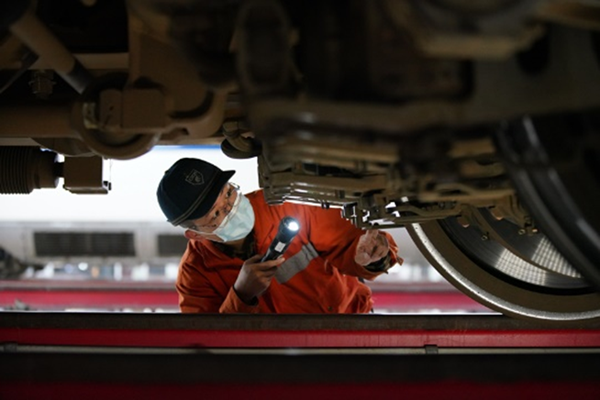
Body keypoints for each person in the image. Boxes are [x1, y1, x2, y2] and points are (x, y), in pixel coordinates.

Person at [156, 158, 402, 313]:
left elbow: (353, 248)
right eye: (216, 213)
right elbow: (212, 346)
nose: (231, 208)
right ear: (195, 235)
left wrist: (375, 257)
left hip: (348, 331)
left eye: (228, 194)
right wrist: (242, 295)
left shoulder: (287, 204)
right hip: (276, 363)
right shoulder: (196, 274)